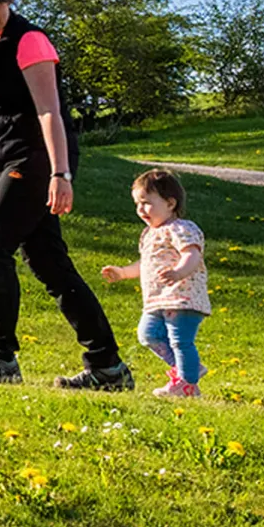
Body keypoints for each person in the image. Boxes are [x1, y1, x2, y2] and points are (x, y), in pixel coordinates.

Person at [0, 0, 133, 390]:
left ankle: (0, 357)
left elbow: (49, 111)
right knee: (49, 262)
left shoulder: (30, 41)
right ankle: (108, 367)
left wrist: (60, 173)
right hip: (4, 156)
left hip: (37, 157)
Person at [101, 167, 211, 399]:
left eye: (146, 203)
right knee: (148, 335)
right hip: (157, 299)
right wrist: (123, 272)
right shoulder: (149, 234)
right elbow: (146, 264)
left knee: (180, 341)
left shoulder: (182, 229)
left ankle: (187, 384)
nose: (140, 210)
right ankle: (188, 369)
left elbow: (192, 254)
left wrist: (179, 272)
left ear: (170, 203)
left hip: (182, 297)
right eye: (137, 204)